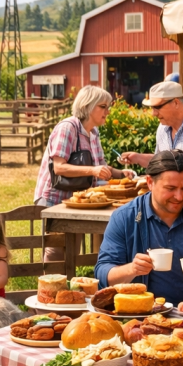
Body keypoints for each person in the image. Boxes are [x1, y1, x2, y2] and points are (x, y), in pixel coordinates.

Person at [94, 149, 183, 315]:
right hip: (139, 316)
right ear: (150, 182)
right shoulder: (126, 217)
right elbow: (102, 274)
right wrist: (132, 269)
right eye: (170, 188)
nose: (180, 197)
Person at [34, 86, 132, 261]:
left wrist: (122, 174)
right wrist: (93, 170)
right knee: (56, 253)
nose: (108, 112)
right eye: (103, 107)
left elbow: (101, 167)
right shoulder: (67, 128)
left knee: (72, 250)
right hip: (54, 198)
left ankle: (68, 285)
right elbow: (59, 167)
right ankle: (49, 287)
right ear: (87, 106)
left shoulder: (93, 133)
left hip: (76, 201)